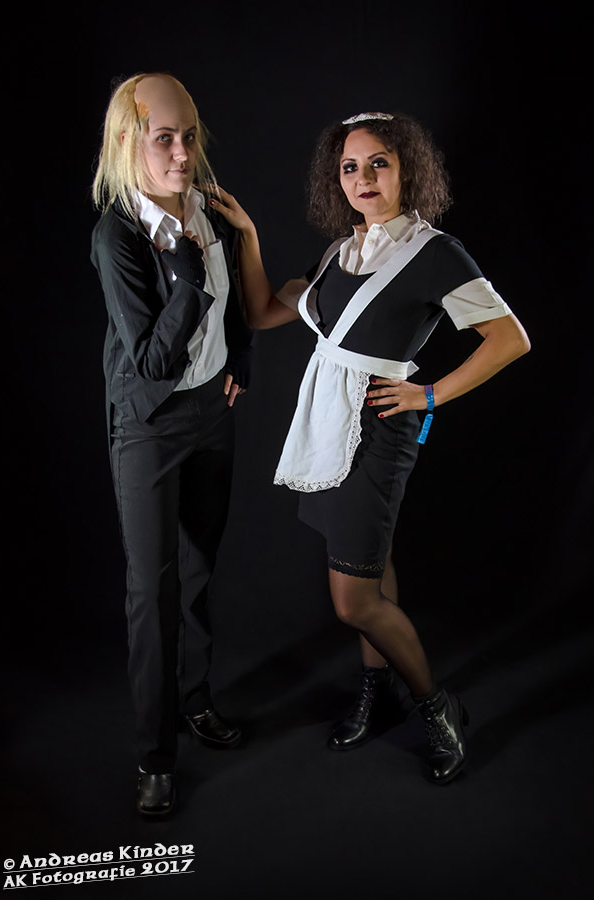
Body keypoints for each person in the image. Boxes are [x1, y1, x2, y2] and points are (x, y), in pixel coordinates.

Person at [210, 111, 530, 784]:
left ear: (408, 169)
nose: (363, 178)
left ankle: (438, 707)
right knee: (372, 563)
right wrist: (249, 236)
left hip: (378, 429)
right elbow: (265, 311)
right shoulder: (339, 254)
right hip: (329, 422)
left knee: (353, 600)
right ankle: (377, 689)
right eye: (350, 167)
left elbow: (510, 339)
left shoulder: (435, 252)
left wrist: (430, 394)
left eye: (379, 162)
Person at [90, 73, 252, 816]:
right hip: (149, 426)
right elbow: (153, 361)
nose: (183, 153)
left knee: (197, 571)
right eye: (165, 139)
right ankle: (155, 758)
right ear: (130, 143)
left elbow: (235, 301)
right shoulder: (118, 234)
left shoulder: (207, 208)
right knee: (150, 591)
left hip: (212, 416)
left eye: (189, 136)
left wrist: (240, 358)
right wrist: (185, 279)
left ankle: (195, 702)